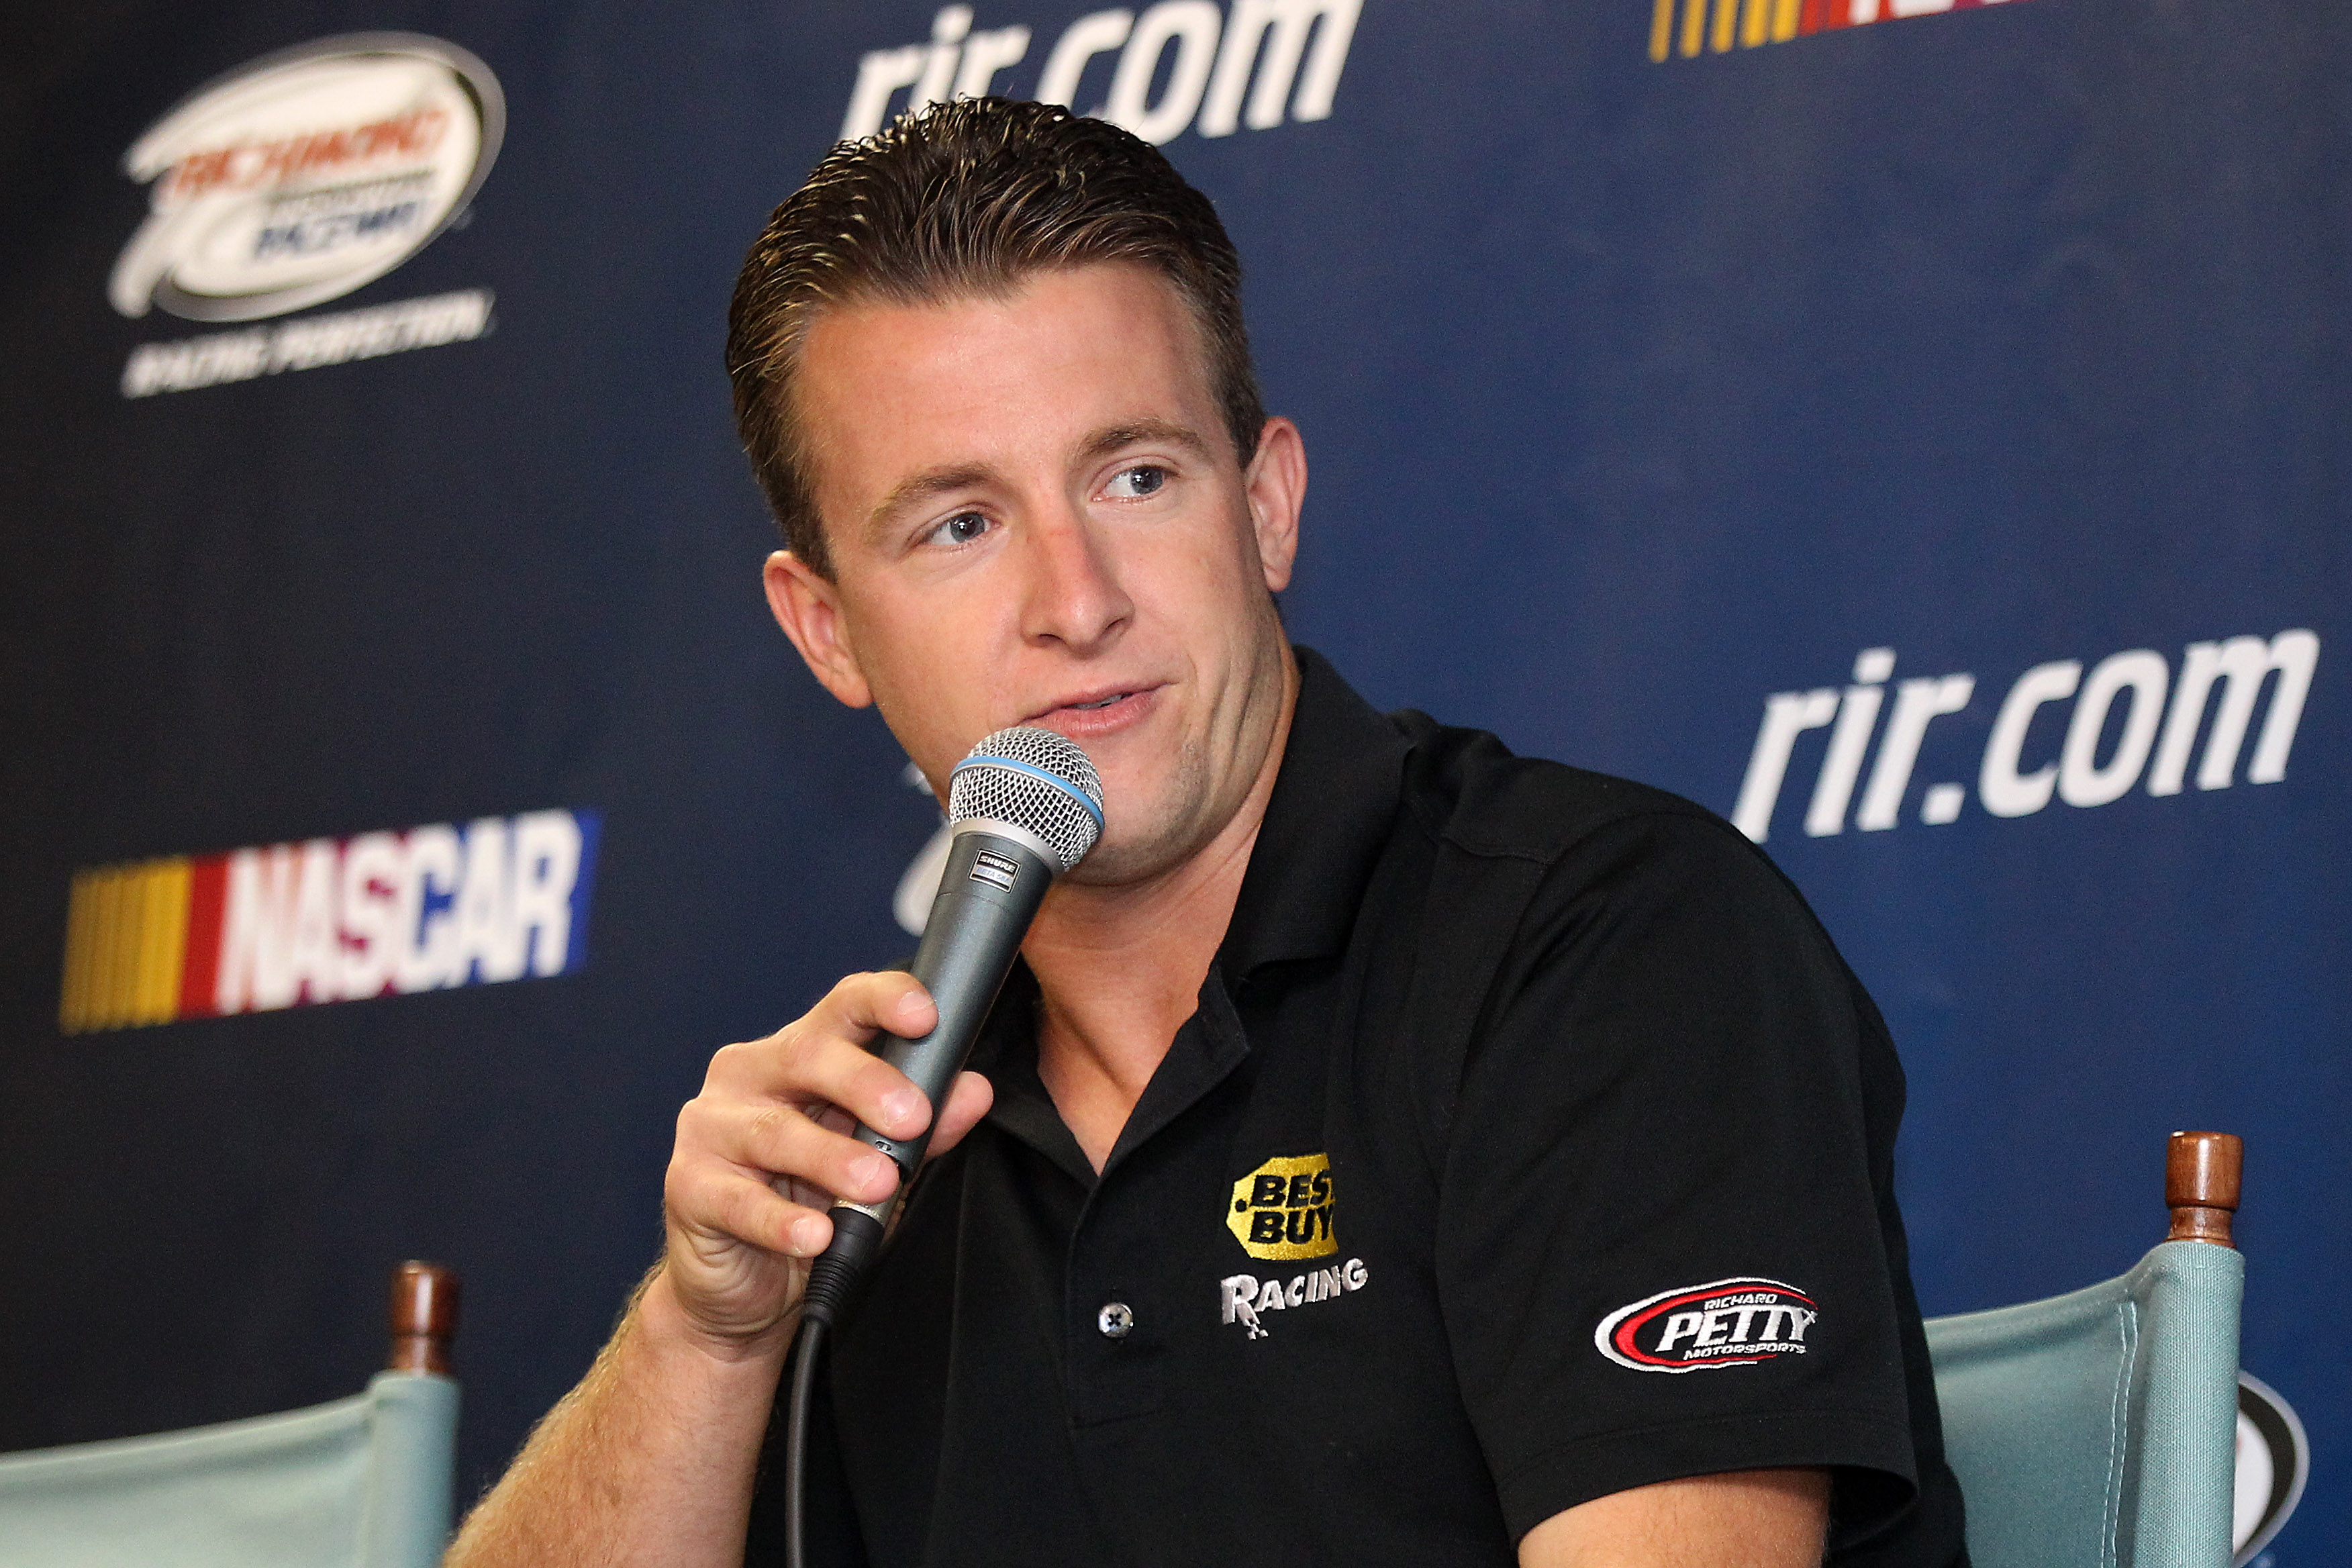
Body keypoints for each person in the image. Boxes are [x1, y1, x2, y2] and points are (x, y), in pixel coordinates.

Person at [448, 98, 1965, 1568]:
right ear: (828, 631)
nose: (1077, 599)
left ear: (1269, 505)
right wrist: (707, 1334)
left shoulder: (1605, 948)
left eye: (1136, 477)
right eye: (961, 524)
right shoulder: (872, 1158)